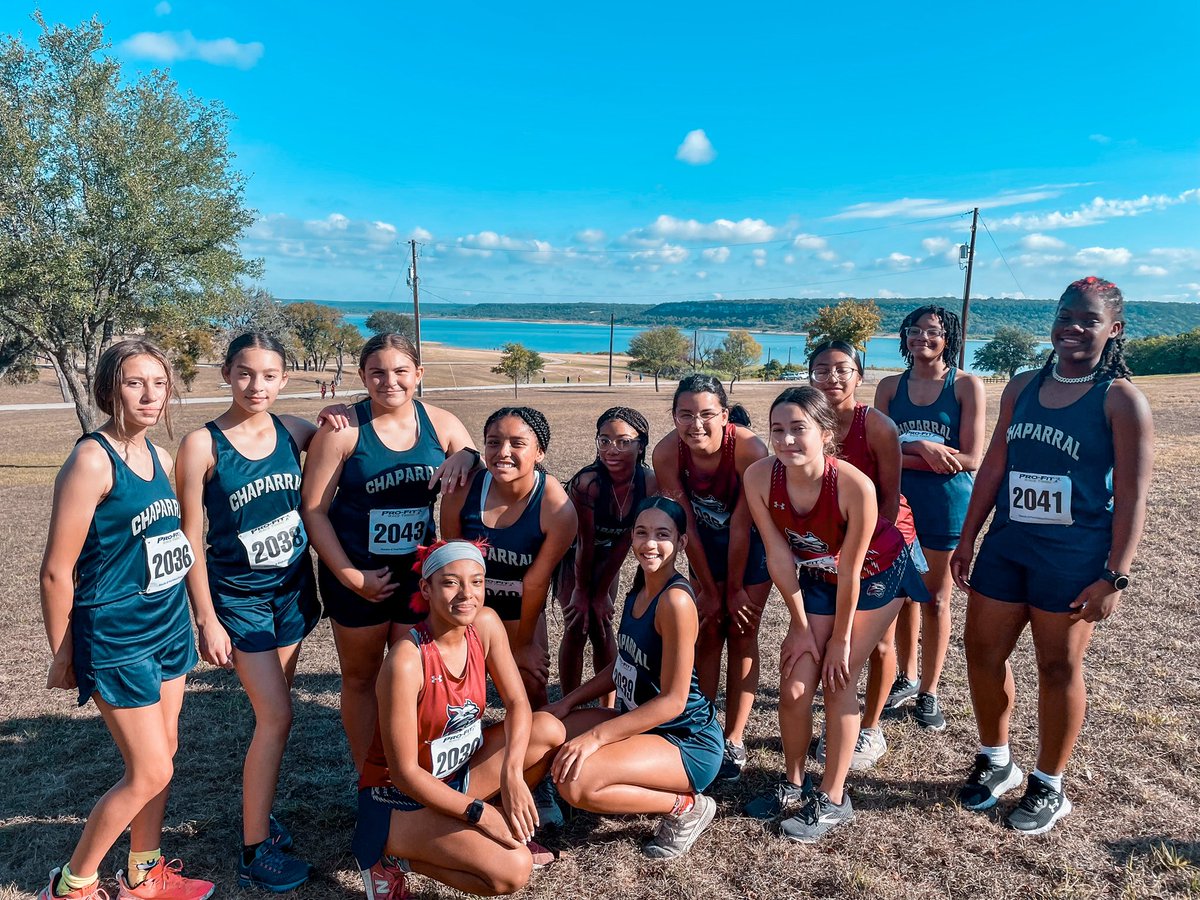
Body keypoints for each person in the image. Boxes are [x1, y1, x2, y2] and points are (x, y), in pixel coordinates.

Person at [951, 277, 1153, 834]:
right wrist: (968, 537)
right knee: (982, 654)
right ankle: (997, 760)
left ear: (1113, 329)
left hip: (1073, 556)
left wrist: (1115, 575)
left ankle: (1049, 783)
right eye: (1065, 315)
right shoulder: (1022, 386)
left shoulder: (1120, 399)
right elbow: (994, 465)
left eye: (1087, 319)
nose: (1072, 327)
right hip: (1009, 546)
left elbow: (1133, 495)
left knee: (1058, 665)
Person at [38, 339, 214, 900]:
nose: (150, 395)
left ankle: (143, 871)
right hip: (116, 638)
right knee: (150, 771)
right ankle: (72, 885)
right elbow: (55, 572)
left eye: (159, 383)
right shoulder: (92, 459)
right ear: (110, 387)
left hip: (167, 627)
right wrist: (65, 653)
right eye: (136, 382)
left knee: (166, 755)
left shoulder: (158, 459)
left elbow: (171, 545)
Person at [743, 387, 924, 841]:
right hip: (819, 575)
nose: (785, 440)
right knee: (794, 684)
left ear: (826, 434)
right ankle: (793, 781)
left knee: (837, 677)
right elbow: (779, 556)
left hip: (876, 574)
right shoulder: (760, 477)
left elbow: (852, 571)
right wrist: (801, 627)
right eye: (778, 429)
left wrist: (839, 639)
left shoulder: (852, 484)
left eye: (798, 429)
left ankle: (835, 797)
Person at [175, 332, 321, 890]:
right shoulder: (202, 444)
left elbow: (357, 436)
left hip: (291, 590)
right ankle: (254, 848)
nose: (255, 385)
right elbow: (190, 536)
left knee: (274, 718)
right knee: (277, 716)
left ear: (284, 380)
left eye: (267, 375)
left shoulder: (295, 431)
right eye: (244, 373)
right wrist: (206, 617)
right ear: (226, 374)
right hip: (239, 598)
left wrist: (463, 452)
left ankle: (264, 819)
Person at [300, 333, 478, 774]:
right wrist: (349, 576)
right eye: (377, 372)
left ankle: (413, 770)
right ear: (363, 376)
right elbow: (314, 511)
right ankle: (371, 779)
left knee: (411, 679)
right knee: (361, 679)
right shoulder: (343, 431)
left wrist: (470, 456)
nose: (389, 381)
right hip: (358, 576)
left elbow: (479, 456)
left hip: (418, 578)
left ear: (418, 374)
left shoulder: (442, 424)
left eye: (401, 371)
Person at [354, 539, 567, 898]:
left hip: (457, 775)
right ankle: (389, 859)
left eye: (477, 582)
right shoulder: (407, 661)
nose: (466, 594)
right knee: (512, 872)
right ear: (427, 588)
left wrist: (512, 774)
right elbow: (405, 774)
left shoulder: (484, 624)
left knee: (548, 730)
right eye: (451, 582)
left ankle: (490, 827)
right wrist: (479, 813)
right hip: (400, 800)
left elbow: (517, 703)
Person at [546, 497, 724, 859]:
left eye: (662, 534)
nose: (649, 543)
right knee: (545, 730)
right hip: (640, 725)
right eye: (641, 533)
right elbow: (622, 666)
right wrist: (568, 701)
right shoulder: (639, 588)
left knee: (575, 783)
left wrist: (595, 737)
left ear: (682, 543)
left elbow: (673, 701)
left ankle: (686, 808)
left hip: (684, 741)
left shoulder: (675, 601)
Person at [807, 341, 929, 768]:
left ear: (859, 376)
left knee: (876, 640)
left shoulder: (876, 425)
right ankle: (840, 721)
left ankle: (870, 729)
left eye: (842, 369)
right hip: (831, 545)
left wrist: (852, 552)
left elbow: (891, 503)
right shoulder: (806, 422)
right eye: (821, 370)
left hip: (884, 540)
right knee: (830, 640)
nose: (832, 378)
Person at [651, 375, 771, 782]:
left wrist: (732, 589)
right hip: (702, 546)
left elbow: (743, 524)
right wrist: (707, 588)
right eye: (685, 414)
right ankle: (702, 727)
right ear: (673, 416)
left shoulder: (749, 449)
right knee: (705, 630)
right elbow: (687, 527)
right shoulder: (667, 452)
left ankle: (735, 737)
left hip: (751, 549)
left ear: (724, 414)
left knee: (741, 631)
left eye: (706, 414)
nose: (695, 424)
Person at [874, 308, 985, 730]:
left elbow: (970, 458)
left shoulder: (965, 385)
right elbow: (877, 454)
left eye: (933, 332)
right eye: (914, 331)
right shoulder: (888, 386)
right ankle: (907, 676)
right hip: (896, 505)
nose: (922, 338)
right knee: (904, 595)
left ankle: (930, 692)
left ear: (948, 337)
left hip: (945, 506)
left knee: (937, 599)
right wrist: (923, 447)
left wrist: (904, 457)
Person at [441, 407, 576, 708]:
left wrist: (525, 643)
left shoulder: (556, 507)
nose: (503, 452)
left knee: (530, 683)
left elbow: (536, 582)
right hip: (468, 604)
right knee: (456, 691)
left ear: (539, 453)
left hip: (521, 609)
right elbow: (452, 564)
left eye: (517, 443)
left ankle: (536, 753)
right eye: (493, 442)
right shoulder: (462, 490)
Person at [555, 407, 656, 699]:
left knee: (602, 624)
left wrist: (601, 595)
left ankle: (608, 707)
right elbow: (584, 544)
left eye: (624, 441)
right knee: (576, 624)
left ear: (641, 445)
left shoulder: (648, 483)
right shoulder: (588, 483)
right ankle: (568, 705)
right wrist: (583, 592)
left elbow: (626, 541)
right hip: (571, 555)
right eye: (605, 440)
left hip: (609, 554)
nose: (612, 449)